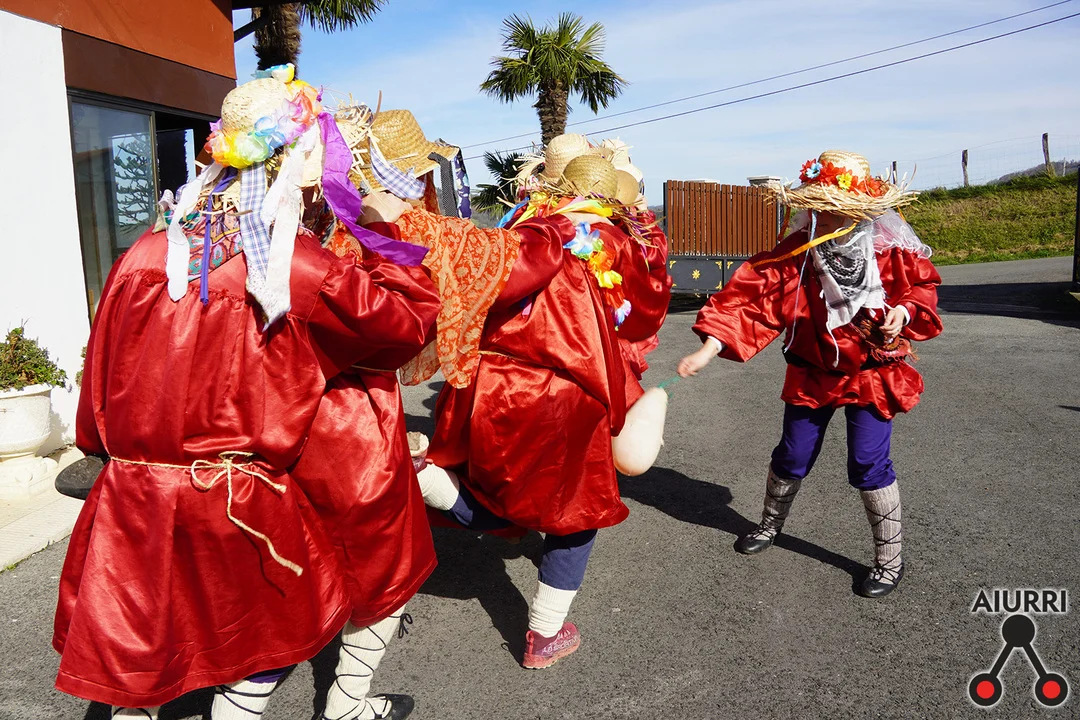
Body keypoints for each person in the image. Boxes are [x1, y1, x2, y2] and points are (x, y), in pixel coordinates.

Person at [53, 67, 434, 719]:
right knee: (281, 632)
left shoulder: (144, 252)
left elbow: (101, 376)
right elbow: (404, 326)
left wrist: (102, 453)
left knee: (140, 650)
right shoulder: (293, 265)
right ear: (300, 161)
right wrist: (383, 231)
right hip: (232, 494)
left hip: (133, 491)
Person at [409, 138, 672, 668]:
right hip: (559, 387)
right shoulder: (612, 238)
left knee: (494, 483)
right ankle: (544, 635)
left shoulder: (522, 225)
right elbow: (648, 301)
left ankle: (429, 478)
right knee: (578, 508)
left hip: (486, 379)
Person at [678, 150, 942, 598]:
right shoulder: (798, 254)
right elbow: (751, 299)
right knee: (793, 454)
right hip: (813, 371)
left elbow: (921, 288)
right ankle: (769, 525)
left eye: (837, 209)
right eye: (820, 207)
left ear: (861, 210)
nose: (826, 216)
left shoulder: (890, 251)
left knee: (869, 462)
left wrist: (904, 310)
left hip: (872, 374)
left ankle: (889, 561)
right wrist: (709, 347)